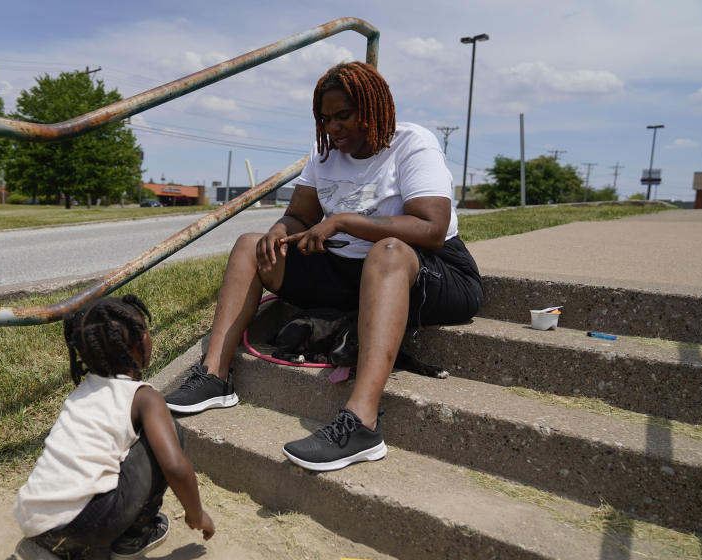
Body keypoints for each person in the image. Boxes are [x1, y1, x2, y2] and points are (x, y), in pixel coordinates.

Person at [164, 61, 482, 472]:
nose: (332, 127)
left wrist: (344, 221)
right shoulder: (324, 153)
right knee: (249, 245)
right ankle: (214, 376)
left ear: (374, 108)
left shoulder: (412, 143)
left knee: (386, 250)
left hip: (431, 271)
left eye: (343, 115)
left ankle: (362, 424)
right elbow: (299, 216)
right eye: (325, 118)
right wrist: (281, 230)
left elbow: (432, 228)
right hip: (351, 271)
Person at [13, 295, 215, 560]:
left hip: (37, 514)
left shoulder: (82, 393)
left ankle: (61, 545)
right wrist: (196, 514)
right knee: (169, 435)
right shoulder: (144, 397)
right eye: (144, 330)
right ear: (138, 343)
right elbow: (175, 466)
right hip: (94, 522)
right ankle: (136, 536)